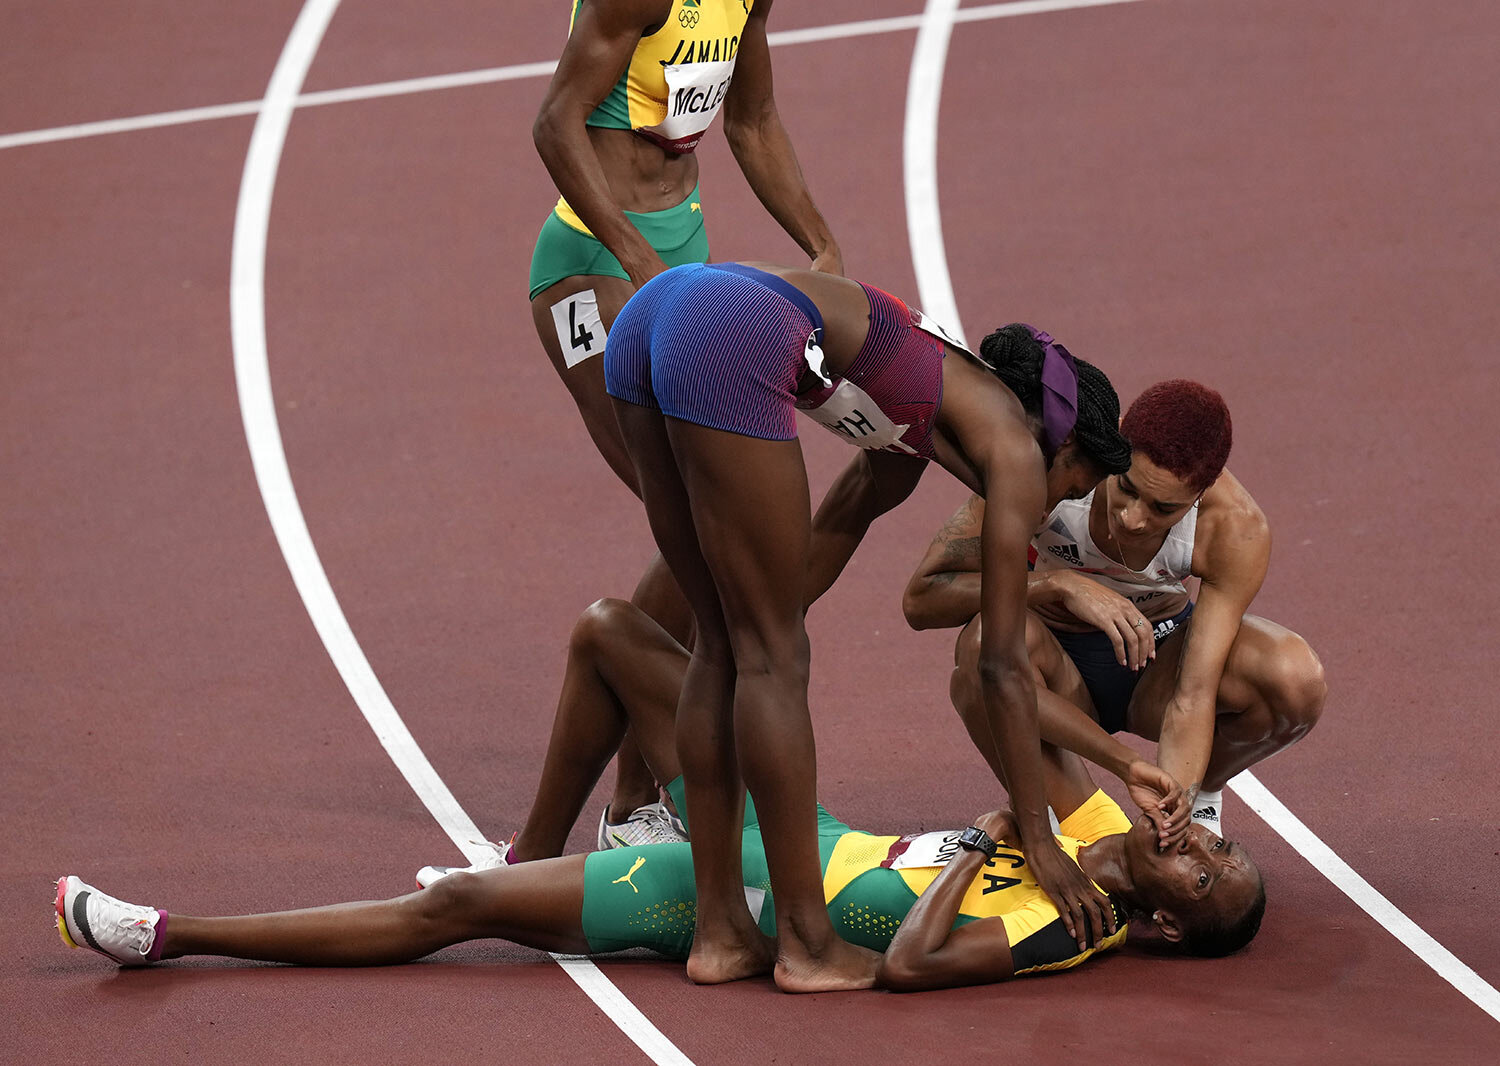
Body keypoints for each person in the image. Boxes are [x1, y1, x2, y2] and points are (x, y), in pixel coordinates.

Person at [57, 601, 1262, 986]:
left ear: (1160, 919)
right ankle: (541, 838)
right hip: (810, 832)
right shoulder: (1102, 831)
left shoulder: (1069, 925)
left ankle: (168, 936)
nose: (1196, 843)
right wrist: (1094, 778)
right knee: (614, 635)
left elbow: (907, 966)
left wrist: (995, 841)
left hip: (731, 889)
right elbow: (1001, 675)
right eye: (1215, 843)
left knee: (460, 912)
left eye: (1201, 874)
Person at [602, 259, 1134, 991]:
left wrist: (768, 635)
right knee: (767, 657)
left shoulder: (918, 405)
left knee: (726, 642)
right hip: (726, 326)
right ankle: (806, 943)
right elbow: (1002, 665)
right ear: (1063, 445)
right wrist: (1041, 841)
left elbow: (816, 556)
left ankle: (722, 932)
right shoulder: (1013, 445)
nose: (1053, 510)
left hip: (655, 317)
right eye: (1073, 489)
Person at [527, 0, 842, 846]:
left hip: (683, 250)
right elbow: (555, 125)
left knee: (714, 532)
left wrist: (822, 248)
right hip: (592, 268)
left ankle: (634, 800)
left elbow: (754, 115)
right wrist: (637, 261)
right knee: (702, 528)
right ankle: (593, 819)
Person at [904, 380, 1327, 834]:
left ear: (1201, 494)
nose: (1133, 517)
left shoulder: (1234, 529)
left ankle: (1199, 800)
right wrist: (1057, 585)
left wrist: (1170, 821)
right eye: (1126, 487)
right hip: (1050, 667)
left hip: (1155, 667)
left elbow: (1192, 695)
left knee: (1292, 679)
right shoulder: (1052, 464)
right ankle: (1078, 823)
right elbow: (923, 598)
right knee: (986, 642)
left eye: (1164, 509)